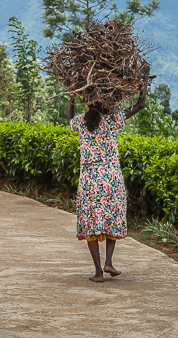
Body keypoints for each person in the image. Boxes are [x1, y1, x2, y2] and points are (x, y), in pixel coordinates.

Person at [67, 63, 150, 282]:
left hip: (89, 181)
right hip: (111, 179)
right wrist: (145, 76)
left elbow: (68, 119)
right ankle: (109, 262)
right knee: (112, 218)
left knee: (90, 223)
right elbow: (140, 104)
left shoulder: (80, 123)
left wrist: (71, 96)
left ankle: (97, 272)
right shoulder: (113, 121)